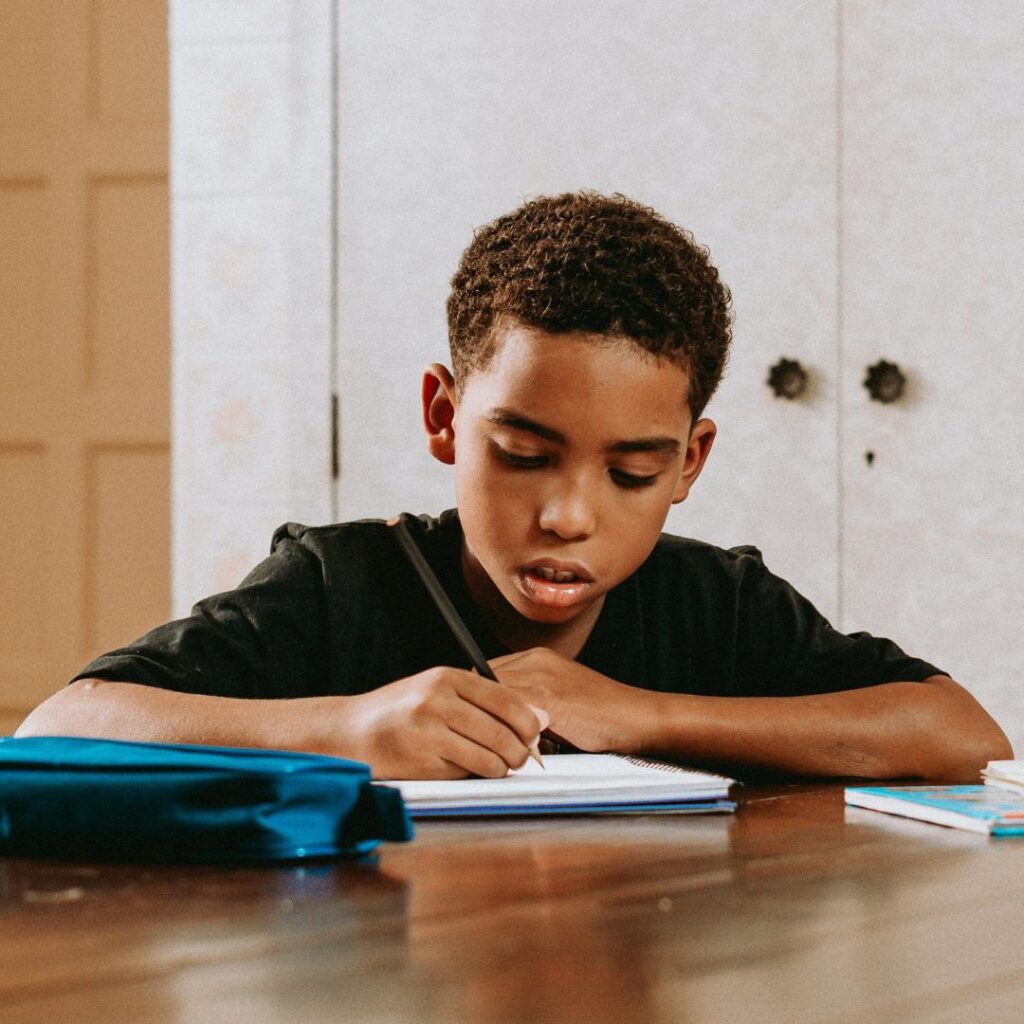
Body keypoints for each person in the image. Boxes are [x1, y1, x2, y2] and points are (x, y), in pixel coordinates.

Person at [17, 191, 1011, 781]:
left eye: (632, 472)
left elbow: (964, 737)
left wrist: (642, 712)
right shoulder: (340, 584)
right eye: (524, 454)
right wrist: (343, 726)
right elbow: (61, 724)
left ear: (690, 462)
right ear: (445, 418)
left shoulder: (713, 605)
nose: (569, 514)